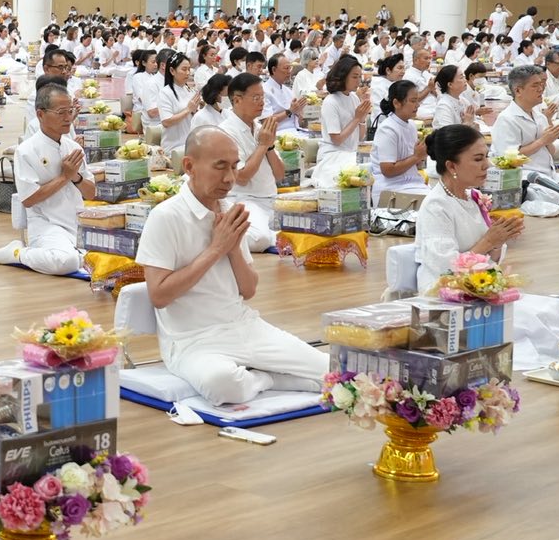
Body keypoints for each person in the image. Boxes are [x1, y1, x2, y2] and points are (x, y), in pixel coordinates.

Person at [137, 130, 326, 407]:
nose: (229, 178)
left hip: (243, 326)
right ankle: (269, 379)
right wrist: (216, 249)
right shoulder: (165, 216)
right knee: (223, 387)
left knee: (332, 369)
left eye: (235, 166)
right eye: (220, 167)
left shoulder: (229, 211)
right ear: (189, 166)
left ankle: (262, 376)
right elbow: (159, 295)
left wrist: (233, 247)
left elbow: (248, 290)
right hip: (191, 339)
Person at [0, 81, 95, 276]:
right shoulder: (26, 151)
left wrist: (75, 177)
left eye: (70, 111)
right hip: (46, 224)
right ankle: (18, 253)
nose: (68, 118)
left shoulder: (73, 148)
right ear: (40, 114)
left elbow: (91, 193)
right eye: (61, 113)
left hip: (77, 220)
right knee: (65, 261)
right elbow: (29, 199)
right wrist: (64, 177)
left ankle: (79, 254)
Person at [414, 126, 527, 290]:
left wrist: (498, 241)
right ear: (452, 167)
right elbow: (446, 271)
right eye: (478, 159)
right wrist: (489, 241)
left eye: (486, 157)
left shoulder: (473, 197)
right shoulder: (436, 206)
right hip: (444, 294)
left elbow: (489, 258)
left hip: (479, 285)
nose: (487, 165)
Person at [216, 71, 285, 252]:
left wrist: (269, 146)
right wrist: (263, 145)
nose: (262, 102)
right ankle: (217, 236)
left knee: (302, 227)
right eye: (256, 98)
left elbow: (280, 174)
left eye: (262, 97)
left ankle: (275, 238)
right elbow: (242, 177)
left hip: (270, 198)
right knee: (260, 238)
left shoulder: (260, 128)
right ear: (237, 100)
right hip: (245, 199)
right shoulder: (226, 131)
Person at [492, 64, 559, 201]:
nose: (541, 89)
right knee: (557, 199)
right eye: (534, 86)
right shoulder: (507, 119)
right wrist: (542, 141)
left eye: (541, 84)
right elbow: (509, 160)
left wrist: (550, 139)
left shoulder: (539, 115)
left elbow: (549, 152)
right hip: (525, 177)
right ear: (518, 90)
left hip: (548, 173)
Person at [315, 54, 367, 188]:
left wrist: (362, 118)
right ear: (343, 77)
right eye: (355, 77)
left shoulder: (354, 98)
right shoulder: (330, 102)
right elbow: (336, 140)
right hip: (333, 155)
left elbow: (361, 137)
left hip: (351, 153)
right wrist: (356, 118)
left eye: (360, 77)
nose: (358, 81)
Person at [372, 80, 430, 202]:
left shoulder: (412, 126)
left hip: (412, 184)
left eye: (418, 100)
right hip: (391, 189)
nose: (418, 105)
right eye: (413, 101)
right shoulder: (387, 129)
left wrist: (421, 157)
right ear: (397, 103)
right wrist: (416, 157)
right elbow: (388, 170)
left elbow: (413, 163)